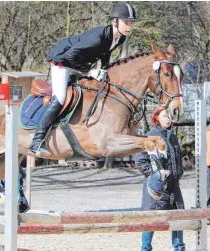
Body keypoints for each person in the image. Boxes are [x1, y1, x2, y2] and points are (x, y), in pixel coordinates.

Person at [29, 2, 137, 156]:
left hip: (79, 63)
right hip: (63, 62)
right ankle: (37, 141)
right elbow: (70, 56)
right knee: (60, 97)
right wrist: (90, 71)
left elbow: (105, 52)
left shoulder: (119, 38)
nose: (129, 26)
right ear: (114, 21)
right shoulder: (96, 37)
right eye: (126, 22)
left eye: (131, 23)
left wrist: (105, 69)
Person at [135, 107, 186, 251]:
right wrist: (155, 176)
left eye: (169, 116)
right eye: (164, 116)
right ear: (157, 118)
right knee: (151, 219)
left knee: (178, 217)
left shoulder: (172, 136)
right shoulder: (151, 136)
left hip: (173, 184)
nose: (168, 119)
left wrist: (178, 172)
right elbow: (140, 160)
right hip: (156, 186)